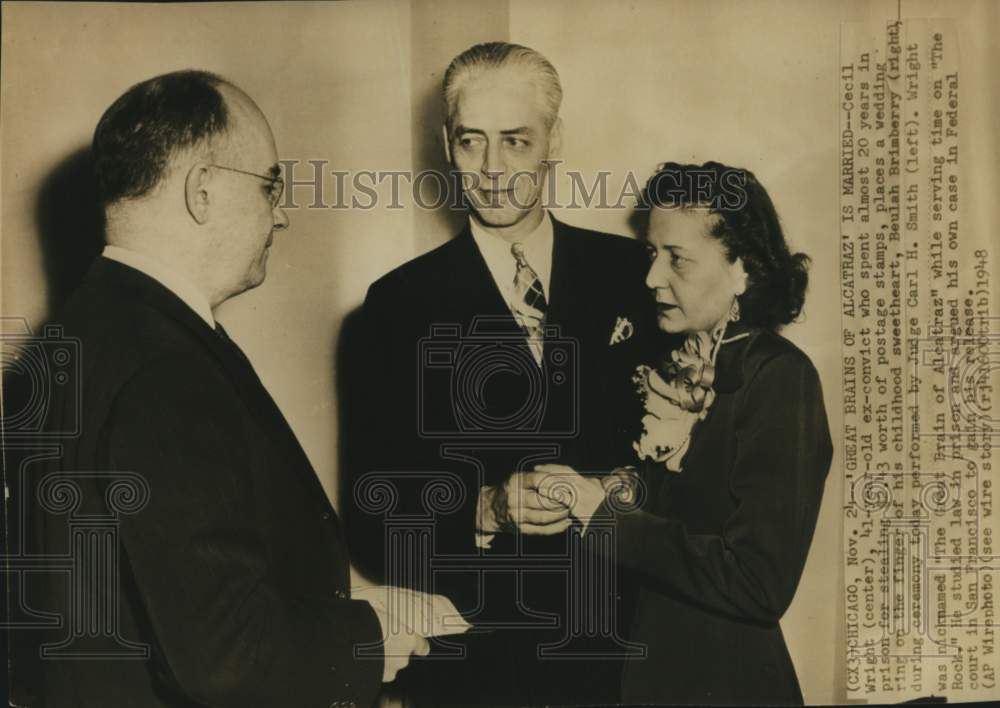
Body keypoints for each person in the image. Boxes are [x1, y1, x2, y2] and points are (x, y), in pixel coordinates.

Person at [15, 70, 427, 708]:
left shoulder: (78, 335)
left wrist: (343, 609)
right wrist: (371, 637)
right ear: (202, 191)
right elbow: (226, 657)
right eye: (270, 186)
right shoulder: (166, 368)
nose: (281, 215)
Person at [347, 43, 655, 706]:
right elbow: (372, 514)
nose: (492, 170)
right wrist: (486, 507)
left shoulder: (636, 275)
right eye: (471, 141)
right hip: (484, 668)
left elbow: (696, 468)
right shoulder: (395, 305)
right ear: (446, 144)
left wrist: (624, 491)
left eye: (516, 141)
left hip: (637, 651)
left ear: (554, 140)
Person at [538, 162, 833, 705]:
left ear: (742, 270)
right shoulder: (679, 361)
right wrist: (607, 490)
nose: (652, 277)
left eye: (677, 258)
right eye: (652, 254)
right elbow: (684, 513)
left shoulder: (780, 377)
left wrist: (605, 518)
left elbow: (758, 582)